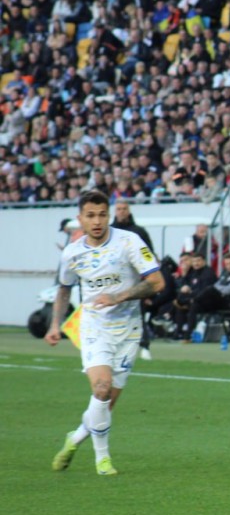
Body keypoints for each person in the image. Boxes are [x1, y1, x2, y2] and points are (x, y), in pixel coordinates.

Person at [47, 190, 165, 476]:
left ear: (109, 215)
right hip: (93, 326)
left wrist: (119, 296)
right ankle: (103, 460)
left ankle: (75, 438)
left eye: (102, 215)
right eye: (90, 215)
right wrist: (54, 324)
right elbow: (64, 289)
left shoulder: (129, 242)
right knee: (100, 389)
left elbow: (157, 282)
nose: (97, 221)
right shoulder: (72, 253)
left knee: (106, 403)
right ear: (80, 219)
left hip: (128, 330)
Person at [111, 200, 156, 360]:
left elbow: (149, 255)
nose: (122, 211)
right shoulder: (109, 232)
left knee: (138, 313)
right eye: (119, 209)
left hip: (135, 280)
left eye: (124, 208)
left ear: (129, 210)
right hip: (114, 280)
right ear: (115, 211)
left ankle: (144, 345)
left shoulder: (139, 232)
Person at [183, 253, 230, 341]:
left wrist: (218, 288)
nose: (229, 266)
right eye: (227, 264)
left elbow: (228, 290)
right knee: (194, 306)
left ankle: (191, 300)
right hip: (217, 301)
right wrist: (218, 288)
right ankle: (187, 336)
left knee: (209, 289)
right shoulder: (225, 272)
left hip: (228, 303)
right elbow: (217, 285)